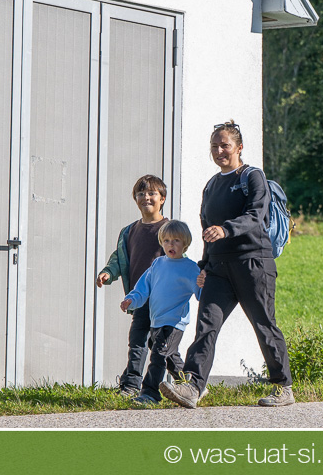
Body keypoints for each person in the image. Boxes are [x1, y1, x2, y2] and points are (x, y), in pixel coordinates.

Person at [160, 120, 295, 409]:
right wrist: (204, 266)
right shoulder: (211, 185)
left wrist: (226, 229)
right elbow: (206, 228)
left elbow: (255, 215)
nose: (219, 151)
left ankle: (283, 387)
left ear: (239, 147)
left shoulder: (252, 177)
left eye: (225, 146)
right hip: (219, 268)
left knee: (263, 324)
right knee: (206, 325)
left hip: (253, 263)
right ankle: (193, 387)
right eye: (214, 146)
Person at [95, 174, 169, 397]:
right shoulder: (129, 231)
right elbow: (120, 258)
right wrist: (108, 273)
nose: (146, 197)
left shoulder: (169, 229)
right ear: (135, 199)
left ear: (162, 198)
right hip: (139, 297)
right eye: (141, 193)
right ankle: (131, 385)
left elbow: (179, 262)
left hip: (163, 299)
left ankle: (188, 382)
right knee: (137, 342)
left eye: (152, 193)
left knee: (162, 346)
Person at [120, 220, 203, 404]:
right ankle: (192, 385)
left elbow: (201, 294)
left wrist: (203, 284)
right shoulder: (157, 264)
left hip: (174, 322)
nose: (170, 245)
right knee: (169, 355)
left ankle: (150, 393)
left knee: (158, 355)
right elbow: (143, 287)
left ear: (185, 243)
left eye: (176, 241)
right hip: (156, 320)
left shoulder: (190, 268)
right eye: (166, 241)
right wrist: (132, 300)